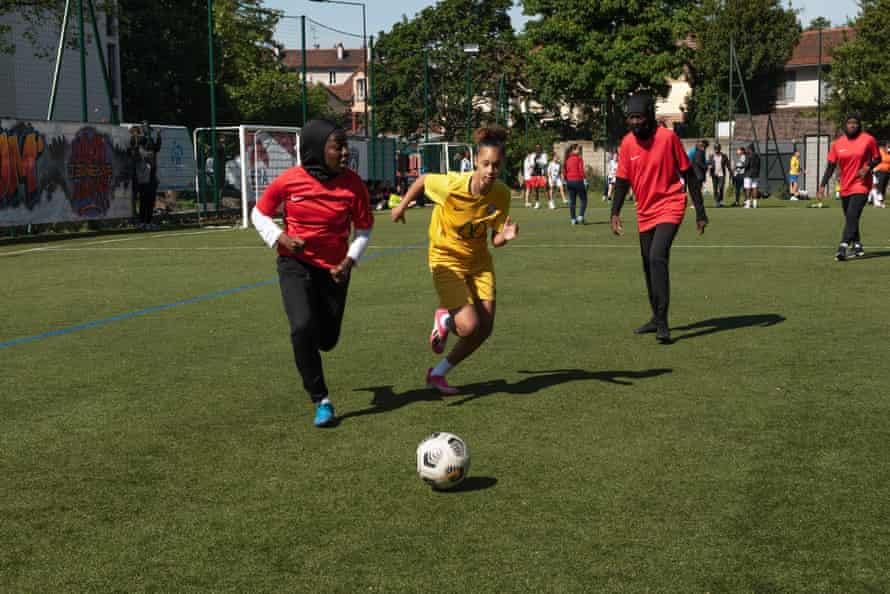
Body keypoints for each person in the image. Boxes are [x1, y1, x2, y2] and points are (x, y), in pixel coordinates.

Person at [251, 119, 373, 427]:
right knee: (302, 327)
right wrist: (282, 238)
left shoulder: (354, 184)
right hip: (295, 264)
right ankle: (321, 399)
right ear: (318, 150)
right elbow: (258, 212)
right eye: (338, 146)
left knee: (327, 339)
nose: (345, 153)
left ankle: (314, 349)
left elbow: (364, 228)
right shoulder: (290, 181)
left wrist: (348, 261)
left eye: (345, 146)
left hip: (334, 270)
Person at [391, 124, 518, 394]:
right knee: (468, 325)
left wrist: (504, 237)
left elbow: (494, 239)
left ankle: (438, 374)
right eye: (485, 164)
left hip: (479, 262)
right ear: (475, 162)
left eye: (496, 165)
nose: (490, 171)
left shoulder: (501, 194)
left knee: (484, 329)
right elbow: (424, 180)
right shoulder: (453, 185)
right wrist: (402, 206)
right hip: (446, 258)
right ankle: (446, 321)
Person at [610, 93, 708, 344]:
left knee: (657, 257)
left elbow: (689, 174)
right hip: (645, 209)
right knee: (646, 263)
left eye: (639, 117)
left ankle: (663, 323)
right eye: (630, 118)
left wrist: (700, 211)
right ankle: (655, 317)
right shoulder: (627, 144)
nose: (634, 123)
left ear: (649, 117)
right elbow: (622, 181)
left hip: (671, 204)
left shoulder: (668, 138)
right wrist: (615, 212)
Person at [818, 113, 881, 261]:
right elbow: (831, 166)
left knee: (852, 214)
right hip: (845, 185)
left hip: (862, 184)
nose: (852, 125)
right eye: (849, 123)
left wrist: (868, 167)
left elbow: (878, 158)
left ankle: (843, 246)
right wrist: (822, 185)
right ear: (845, 125)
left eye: (855, 123)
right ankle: (857, 244)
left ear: (859, 125)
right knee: (850, 217)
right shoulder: (838, 144)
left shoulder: (868, 140)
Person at [129, 123, 162, 230]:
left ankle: (148, 221)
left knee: (150, 200)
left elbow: (156, 148)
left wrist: (158, 136)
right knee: (144, 200)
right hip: (143, 178)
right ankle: (142, 222)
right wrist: (138, 137)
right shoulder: (138, 148)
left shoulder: (149, 148)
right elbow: (136, 148)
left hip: (151, 177)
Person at [564, 143, 587, 225]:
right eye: (578, 149)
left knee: (572, 201)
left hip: (569, 182)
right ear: (573, 150)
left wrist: (565, 180)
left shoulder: (567, 159)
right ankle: (580, 216)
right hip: (578, 181)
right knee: (584, 200)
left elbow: (565, 171)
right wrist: (584, 179)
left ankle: (573, 219)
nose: (579, 150)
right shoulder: (579, 159)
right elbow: (581, 170)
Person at [523, 144, 550, 209]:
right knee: (536, 189)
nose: (538, 149)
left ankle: (550, 202)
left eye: (539, 148)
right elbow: (532, 164)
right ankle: (537, 203)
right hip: (534, 174)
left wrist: (538, 161)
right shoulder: (533, 155)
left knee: (546, 188)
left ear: (541, 148)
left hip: (542, 174)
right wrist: (534, 163)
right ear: (535, 149)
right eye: (536, 148)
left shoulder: (544, 155)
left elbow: (545, 163)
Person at [869, 140, 890, 208]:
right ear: (885, 146)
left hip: (887, 172)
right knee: (879, 186)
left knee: (883, 187)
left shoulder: (889, 153)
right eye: (888, 146)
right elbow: (875, 159)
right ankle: (878, 202)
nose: (888, 147)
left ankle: (880, 201)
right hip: (879, 171)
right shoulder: (880, 151)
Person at [743, 143, 761, 208]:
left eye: (748, 149)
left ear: (750, 149)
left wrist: (741, 166)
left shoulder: (748, 156)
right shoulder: (757, 156)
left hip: (748, 174)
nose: (747, 150)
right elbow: (759, 166)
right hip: (756, 174)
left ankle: (747, 204)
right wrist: (758, 174)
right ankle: (755, 204)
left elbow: (746, 165)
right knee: (755, 188)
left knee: (747, 189)